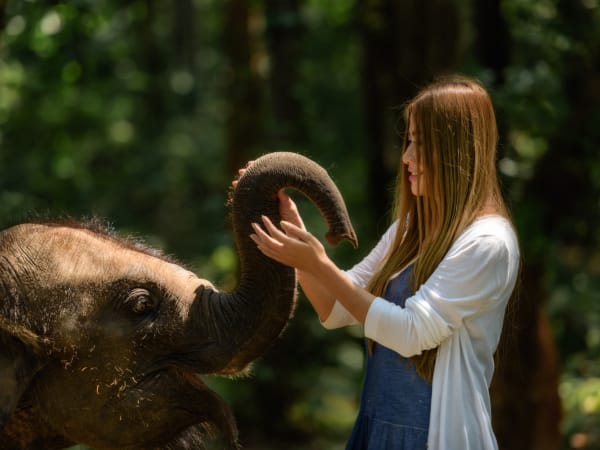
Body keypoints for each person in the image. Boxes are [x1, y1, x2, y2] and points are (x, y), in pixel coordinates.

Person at [235, 75, 520, 450]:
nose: (406, 158)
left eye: (420, 144)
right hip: (377, 430)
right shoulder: (410, 229)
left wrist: (319, 265)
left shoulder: (488, 243)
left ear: (454, 151)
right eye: (409, 142)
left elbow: (411, 333)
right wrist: (295, 233)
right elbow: (337, 308)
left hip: (431, 437)